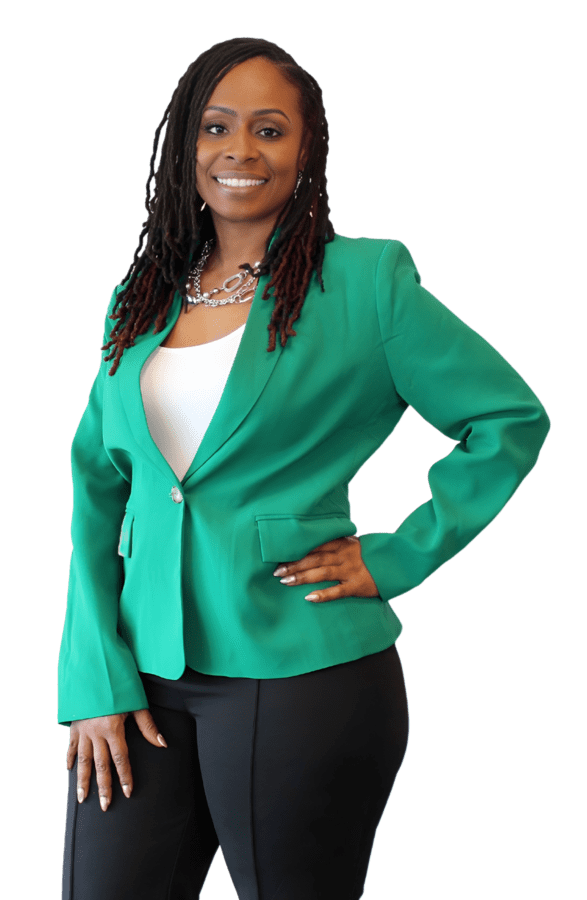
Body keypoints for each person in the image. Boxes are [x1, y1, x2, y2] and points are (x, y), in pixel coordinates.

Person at [58, 36, 551, 900]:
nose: (239, 151)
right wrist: (90, 675)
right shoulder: (138, 297)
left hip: (300, 671)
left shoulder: (365, 284)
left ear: (307, 149)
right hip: (140, 677)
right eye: (216, 127)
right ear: (184, 145)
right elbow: (98, 489)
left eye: (269, 129)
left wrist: (397, 555)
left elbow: (506, 418)